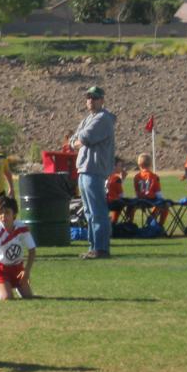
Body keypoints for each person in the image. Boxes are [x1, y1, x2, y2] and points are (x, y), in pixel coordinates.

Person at [70, 85, 117, 260]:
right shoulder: (88, 119)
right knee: (89, 212)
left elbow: (83, 138)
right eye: (88, 97)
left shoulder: (103, 118)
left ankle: (101, 248)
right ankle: (93, 247)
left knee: (97, 211)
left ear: (102, 100)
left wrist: (78, 141)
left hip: (94, 170)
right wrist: (77, 141)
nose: (90, 100)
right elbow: (73, 140)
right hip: (84, 170)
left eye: (94, 97)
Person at [0, 196, 36, 301]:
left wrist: (26, 271)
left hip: (17, 268)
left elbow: (32, 250)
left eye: (7, 212)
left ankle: (18, 286)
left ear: (14, 215)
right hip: (1, 269)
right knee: (7, 297)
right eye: (0, 213)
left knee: (29, 296)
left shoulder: (22, 227)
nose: (3, 216)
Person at [131, 153, 168, 228]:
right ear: (150, 164)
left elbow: (136, 191)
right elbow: (158, 193)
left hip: (140, 200)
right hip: (150, 200)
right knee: (164, 205)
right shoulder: (154, 176)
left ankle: (129, 222)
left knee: (131, 205)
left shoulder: (136, 176)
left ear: (139, 164)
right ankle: (158, 223)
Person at [106, 158, 128, 224]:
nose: (122, 168)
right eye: (120, 166)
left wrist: (122, 180)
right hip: (111, 203)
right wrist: (121, 179)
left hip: (102, 202)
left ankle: (112, 222)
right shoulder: (116, 178)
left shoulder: (104, 176)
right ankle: (126, 222)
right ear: (114, 167)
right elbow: (121, 195)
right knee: (129, 204)